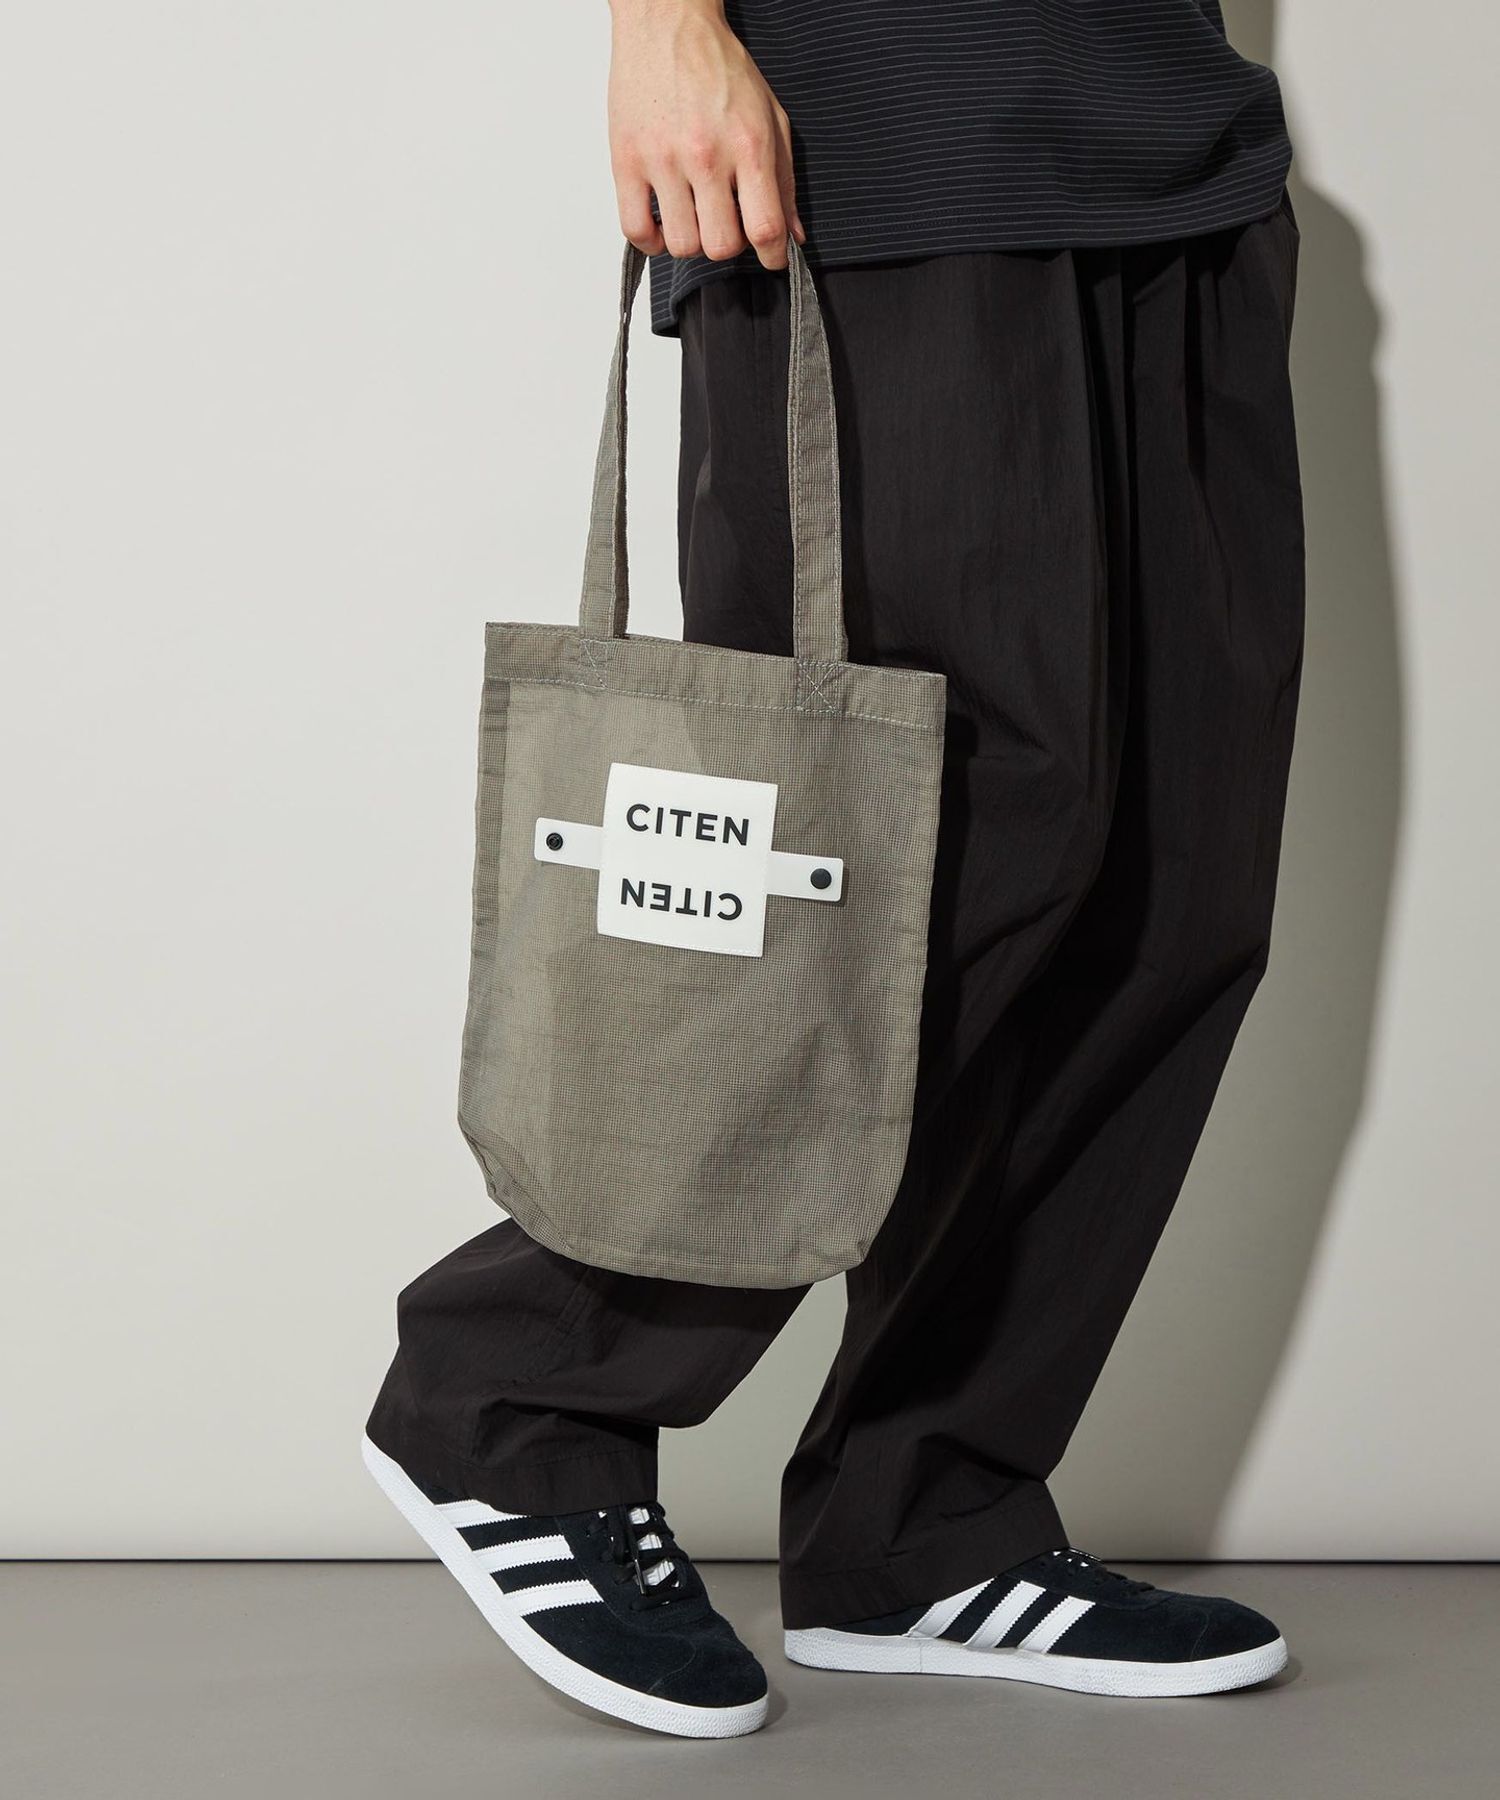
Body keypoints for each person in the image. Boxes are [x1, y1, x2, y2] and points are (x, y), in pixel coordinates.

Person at [363, 0, 1304, 1738]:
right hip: (879, 153)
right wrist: (662, 25)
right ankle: (518, 1397)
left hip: (1185, 156)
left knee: (1167, 894)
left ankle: (924, 1519)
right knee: (919, 866)